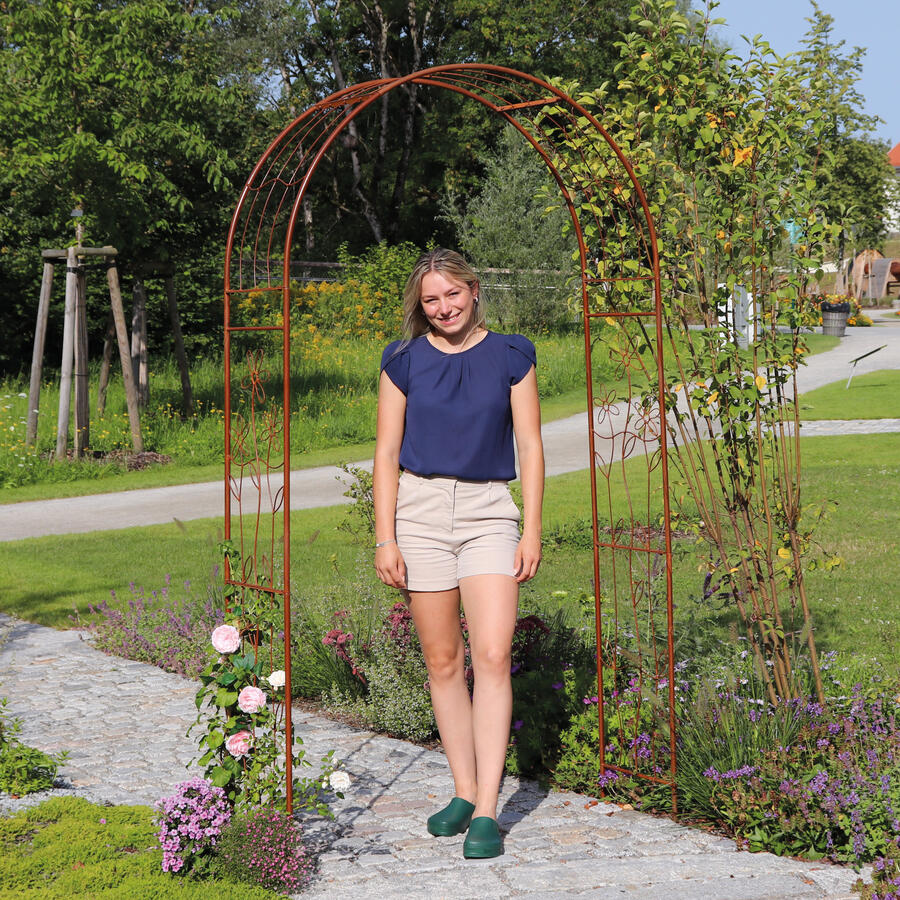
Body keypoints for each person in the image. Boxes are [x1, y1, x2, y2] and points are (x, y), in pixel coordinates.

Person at [373, 248, 544, 859]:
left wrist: (532, 529)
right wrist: (385, 537)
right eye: (431, 300)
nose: (444, 307)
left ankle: (489, 811)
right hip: (418, 514)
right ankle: (464, 791)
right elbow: (385, 453)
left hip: (488, 511)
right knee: (444, 660)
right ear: (420, 307)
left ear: (473, 290)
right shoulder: (402, 361)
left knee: (493, 654)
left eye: (452, 294)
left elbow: (530, 445)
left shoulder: (512, 355)